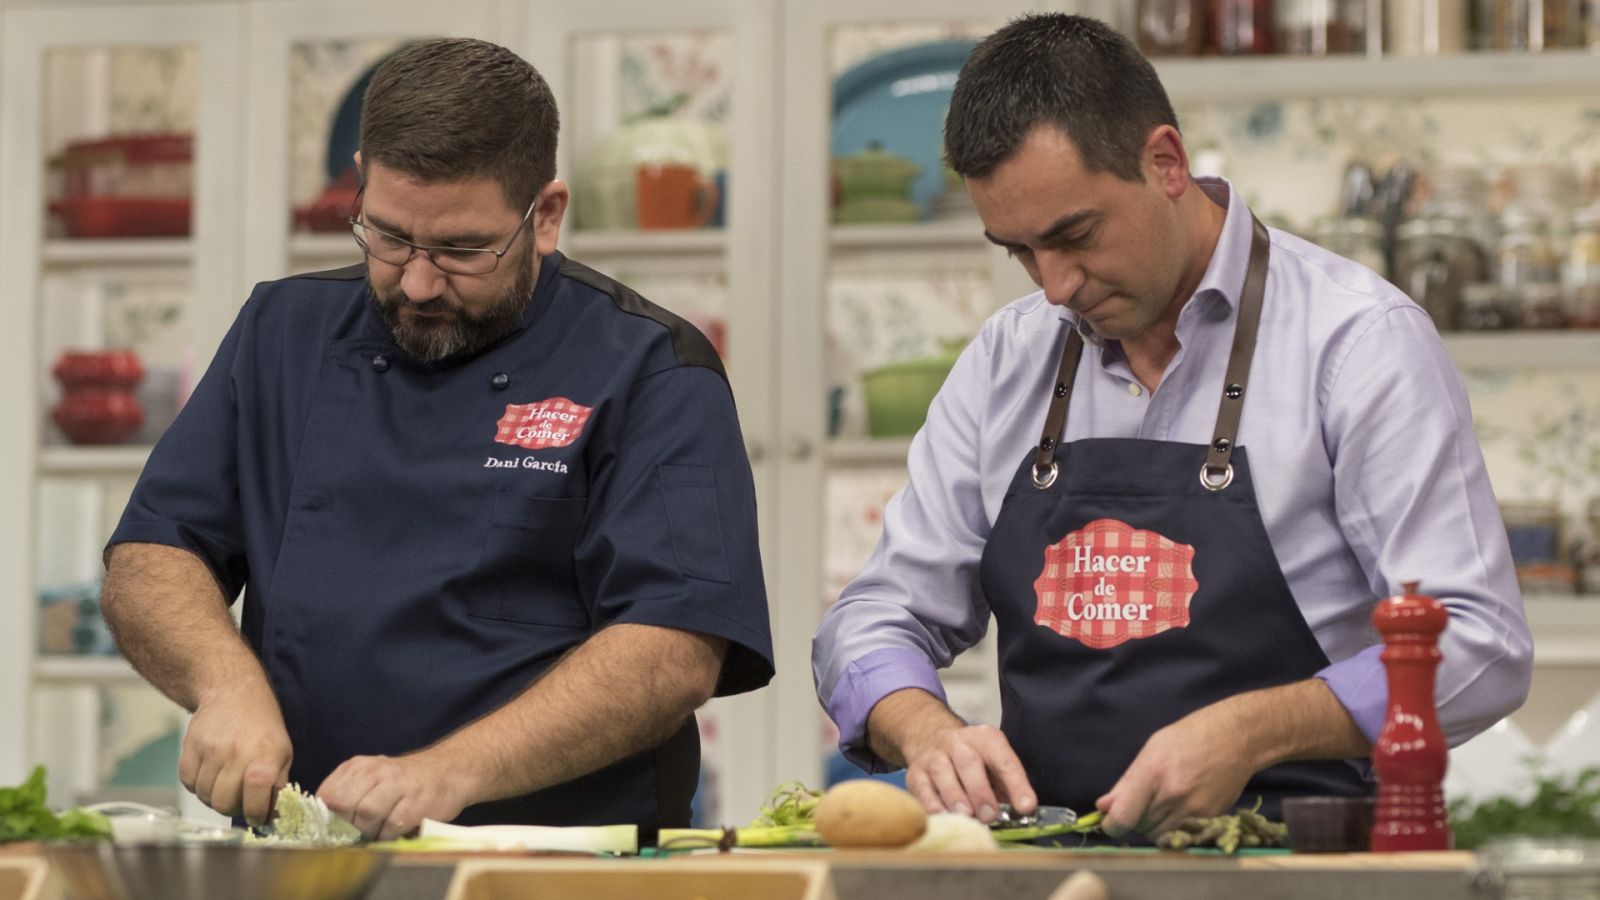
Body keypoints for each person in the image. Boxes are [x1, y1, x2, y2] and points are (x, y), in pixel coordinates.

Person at [811, 13, 1532, 842]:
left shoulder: (1358, 344)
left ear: (1166, 163)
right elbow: (873, 618)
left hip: (1298, 871)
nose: (1054, 287)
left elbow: (1479, 646)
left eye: (1073, 236)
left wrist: (1252, 729)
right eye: (1018, 252)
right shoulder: (1008, 359)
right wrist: (923, 727)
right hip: (1054, 873)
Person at [100, 38, 773, 842]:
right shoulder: (281, 334)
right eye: (386, 237)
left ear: (547, 215)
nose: (418, 281)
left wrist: (449, 772)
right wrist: (223, 685)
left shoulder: (652, 368)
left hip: (556, 864)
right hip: (310, 856)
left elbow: (674, 646)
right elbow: (152, 554)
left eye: (460, 250)